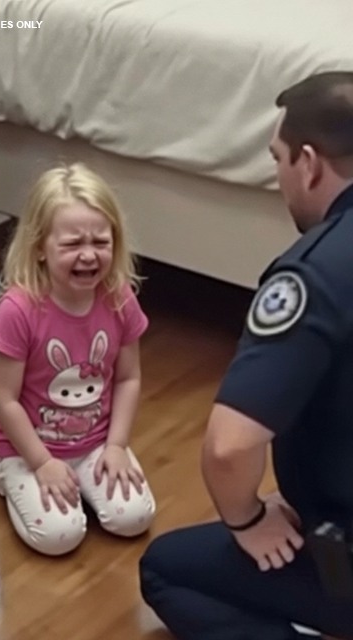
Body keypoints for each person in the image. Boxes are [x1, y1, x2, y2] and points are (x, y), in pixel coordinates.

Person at [139, 71, 353, 640]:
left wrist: (250, 518)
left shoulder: (317, 273)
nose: (279, 176)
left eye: (278, 159)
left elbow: (230, 447)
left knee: (167, 569)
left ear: (309, 164)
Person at [0, 163, 156, 555]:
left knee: (134, 519)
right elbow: (3, 399)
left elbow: (128, 378)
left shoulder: (119, 297)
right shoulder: (18, 309)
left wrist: (116, 446)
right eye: (73, 244)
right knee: (61, 537)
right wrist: (42, 463)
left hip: (95, 443)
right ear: (39, 248)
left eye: (101, 242)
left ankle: (77, 485)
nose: (89, 255)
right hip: (27, 448)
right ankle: (4, 475)